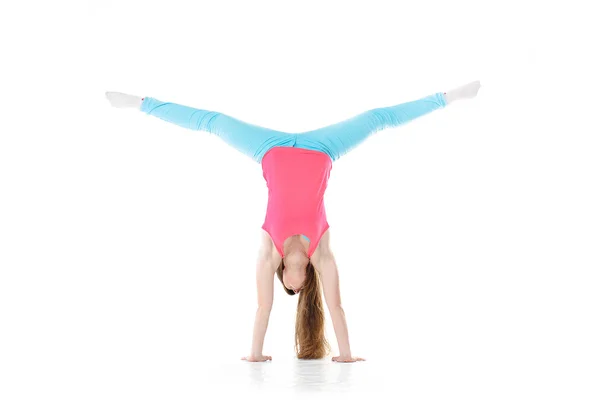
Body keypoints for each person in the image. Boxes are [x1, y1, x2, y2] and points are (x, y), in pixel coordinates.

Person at [105, 81, 482, 363]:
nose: (293, 290)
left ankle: (139, 103)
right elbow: (336, 308)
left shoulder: (268, 253)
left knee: (213, 121)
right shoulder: (323, 254)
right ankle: (449, 97)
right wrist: (346, 355)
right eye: (298, 293)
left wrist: (255, 355)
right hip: (322, 148)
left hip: (269, 149)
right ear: (306, 282)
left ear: (283, 276)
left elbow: (262, 309)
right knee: (376, 118)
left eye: (288, 290)